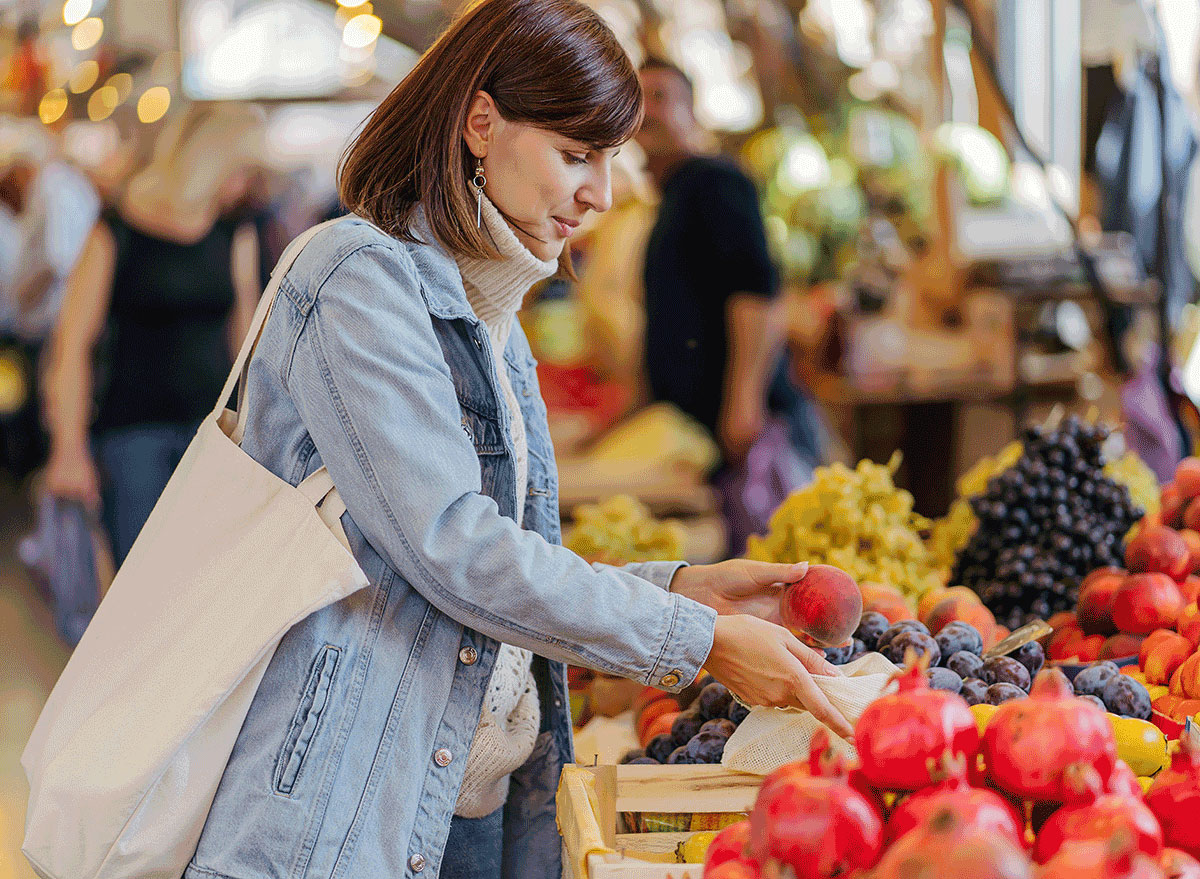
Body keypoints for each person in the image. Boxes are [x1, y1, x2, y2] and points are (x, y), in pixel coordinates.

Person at [154, 3, 848, 878]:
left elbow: (498, 576)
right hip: (342, 812)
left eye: (609, 159)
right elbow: (456, 550)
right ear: (481, 123)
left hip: (464, 806)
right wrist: (691, 639)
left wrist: (684, 591)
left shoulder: (493, 318)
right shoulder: (357, 279)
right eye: (575, 155)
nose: (599, 193)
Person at [42, 103, 265, 564]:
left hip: (212, 432)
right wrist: (68, 448)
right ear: (212, 161)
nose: (248, 183)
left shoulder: (233, 231)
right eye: (241, 169)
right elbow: (72, 345)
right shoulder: (116, 228)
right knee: (142, 583)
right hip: (132, 434)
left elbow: (247, 339)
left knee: (206, 583)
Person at [636, 57, 829, 549]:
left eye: (661, 97)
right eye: (638, 100)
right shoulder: (675, 195)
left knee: (783, 560)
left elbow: (757, 293)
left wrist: (743, 402)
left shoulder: (716, 181)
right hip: (707, 436)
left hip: (753, 430)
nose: (648, 111)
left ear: (691, 112)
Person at [0, 117, 98, 477]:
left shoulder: (54, 190)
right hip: (45, 327)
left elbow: (58, 262)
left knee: (48, 416)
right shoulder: (53, 189)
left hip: (53, 328)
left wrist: (20, 298)